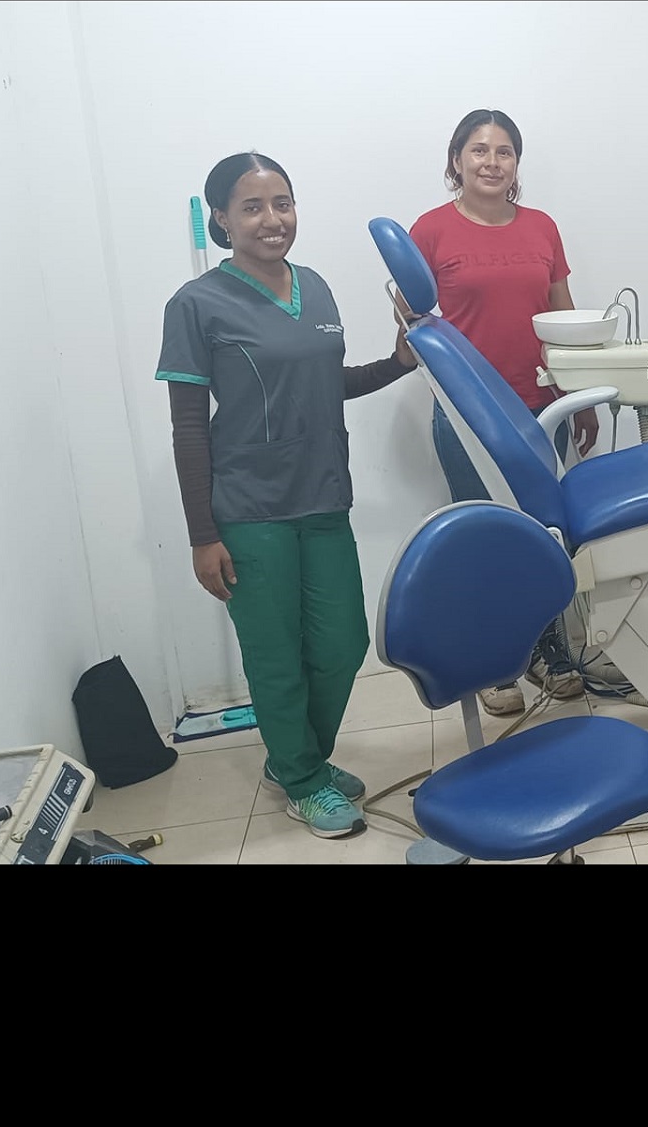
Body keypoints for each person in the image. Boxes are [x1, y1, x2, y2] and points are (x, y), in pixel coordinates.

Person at [157, 151, 423, 839]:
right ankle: (304, 779)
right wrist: (202, 535)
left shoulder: (317, 288)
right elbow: (189, 427)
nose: (272, 219)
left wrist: (398, 362)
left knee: (342, 644)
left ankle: (294, 759)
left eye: (282, 203)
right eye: (252, 207)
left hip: (324, 497)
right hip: (249, 510)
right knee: (276, 658)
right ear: (221, 219)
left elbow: (327, 383)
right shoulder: (195, 304)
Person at [402, 108, 603, 718]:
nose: (492, 162)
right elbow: (411, 326)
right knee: (484, 538)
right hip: (467, 414)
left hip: (542, 407)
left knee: (544, 535)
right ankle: (492, 664)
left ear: (517, 163)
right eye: (479, 150)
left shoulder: (542, 227)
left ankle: (547, 651)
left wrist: (581, 394)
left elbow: (564, 317)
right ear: (456, 160)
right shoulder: (430, 231)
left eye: (504, 151)